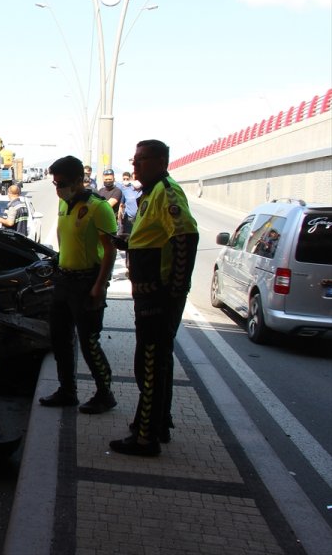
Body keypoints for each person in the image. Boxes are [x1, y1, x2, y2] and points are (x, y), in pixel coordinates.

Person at [109, 139, 199, 457]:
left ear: (161, 161)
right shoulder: (149, 194)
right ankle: (156, 423)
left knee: (148, 364)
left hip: (158, 299)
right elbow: (154, 239)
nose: (135, 166)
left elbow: (186, 236)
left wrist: (173, 291)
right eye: (134, 160)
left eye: (142, 159)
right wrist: (127, 244)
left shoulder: (167, 192)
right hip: (148, 295)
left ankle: (146, 438)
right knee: (154, 363)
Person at [38, 156, 118, 414]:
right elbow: (63, 235)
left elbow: (110, 251)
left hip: (87, 282)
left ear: (76, 180)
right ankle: (67, 391)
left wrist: (99, 286)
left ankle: (105, 394)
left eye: (60, 182)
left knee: (89, 342)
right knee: (59, 339)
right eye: (54, 183)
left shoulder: (98, 207)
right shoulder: (64, 203)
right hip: (65, 280)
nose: (57, 187)